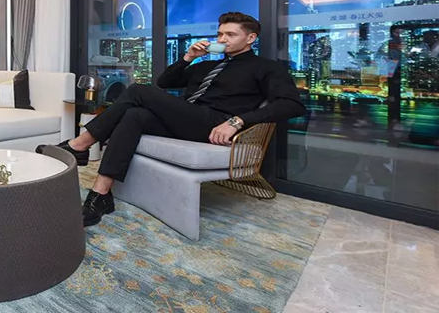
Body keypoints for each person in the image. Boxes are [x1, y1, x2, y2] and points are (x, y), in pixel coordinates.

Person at [41, 12, 306, 227]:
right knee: (135, 114)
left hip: (216, 125)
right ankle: (100, 195)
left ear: (251, 38)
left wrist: (237, 121)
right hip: (188, 120)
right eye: (220, 34)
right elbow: (165, 82)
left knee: (138, 90)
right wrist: (188, 58)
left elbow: (292, 105)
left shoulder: (266, 68)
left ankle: (79, 145)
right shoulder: (206, 65)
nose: (222, 39)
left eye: (230, 34)